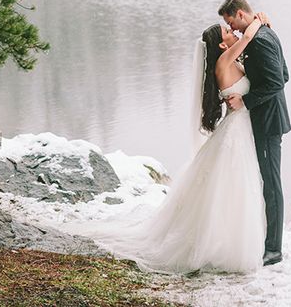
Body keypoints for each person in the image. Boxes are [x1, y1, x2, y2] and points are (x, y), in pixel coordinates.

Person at [72, 17, 268, 274]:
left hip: (239, 129)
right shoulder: (224, 61)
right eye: (226, 30)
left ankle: (235, 239)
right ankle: (230, 247)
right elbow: (249, 36)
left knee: (234, 186)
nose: (232, 30)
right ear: (222, 46)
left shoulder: (227, 60)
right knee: (235, 185)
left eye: (230, 28)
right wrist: (258, 19)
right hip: (236, 132)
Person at [218, 0, 291, 266]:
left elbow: (277, 83)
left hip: (268, 121)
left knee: (271, 184)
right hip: (271, 118)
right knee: (269, 182)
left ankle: (274, 249)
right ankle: (268, 241)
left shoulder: (259, 41)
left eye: (231, 23)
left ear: (240, 13)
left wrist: (245, 101)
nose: (233, 30)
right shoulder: (266, 32)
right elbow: (284, 75)